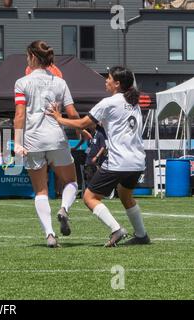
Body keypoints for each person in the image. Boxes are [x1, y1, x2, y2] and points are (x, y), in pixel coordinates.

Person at [47, 66, 150, 247]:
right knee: (125, 195)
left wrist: (58, 118)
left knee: (89, 197)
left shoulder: (109, 102)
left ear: (117, 84)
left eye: (108, 78)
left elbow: (82, 123)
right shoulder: (133, 102)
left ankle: (116, 229)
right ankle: (141, 235)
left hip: (119, 162)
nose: (106, 81)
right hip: (137, 161)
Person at [13, 40, 90, 248]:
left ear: (33, 58)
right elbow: (72, 113)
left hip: (33, 140)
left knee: (41, 191)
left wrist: (17, 142)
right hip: (56, 137)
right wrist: (81, 130)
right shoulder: (60, 83)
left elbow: (19, 116)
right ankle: (64, 208)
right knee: (72, 182)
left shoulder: (22, 82)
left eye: (27, 55)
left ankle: (49, 234)